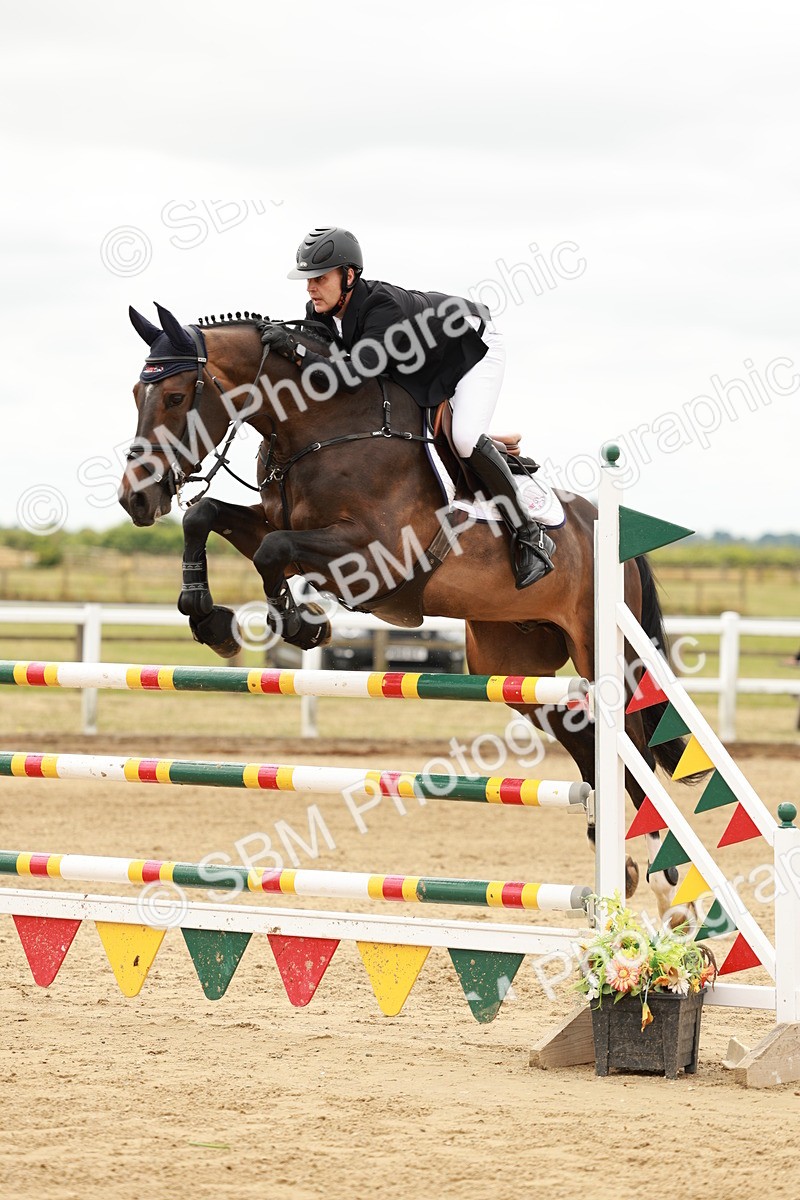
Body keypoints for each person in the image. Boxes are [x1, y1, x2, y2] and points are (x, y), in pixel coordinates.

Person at [262, 226, 555, 588]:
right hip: (421, 362)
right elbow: (323, 364)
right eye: (307, 280)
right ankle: (488, 452)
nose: (310, 288)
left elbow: (351, 374)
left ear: (349, 275)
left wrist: (296, 351)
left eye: (320, 278)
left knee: (463, 438)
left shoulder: (382, 307)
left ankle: (529, 534)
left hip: (472, 347)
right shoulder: (320, 310)